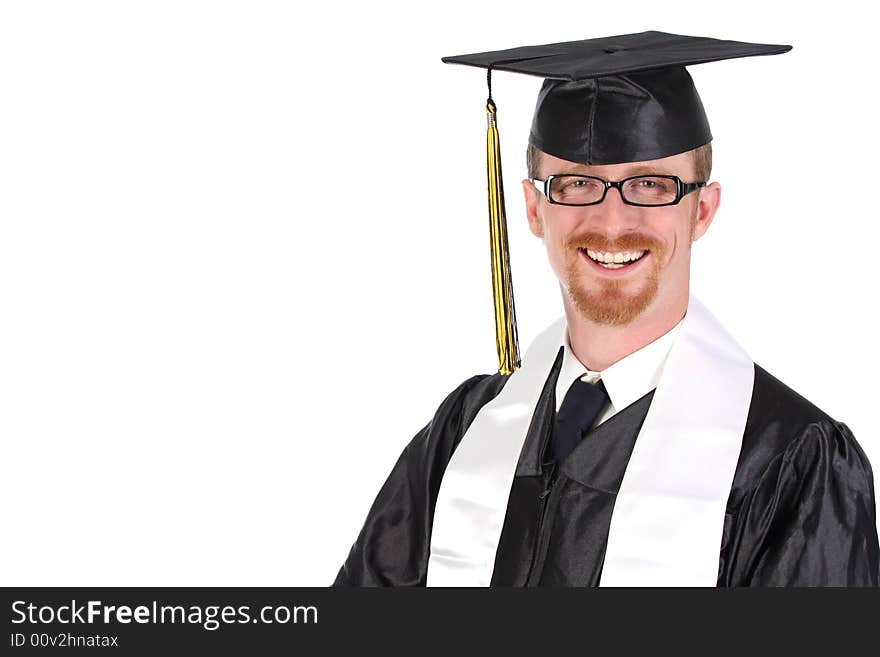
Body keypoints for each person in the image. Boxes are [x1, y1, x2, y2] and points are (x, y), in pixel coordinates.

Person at [332, 32, 880, 587]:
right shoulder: (465, 430)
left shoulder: (791, 459)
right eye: (575, 184)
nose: (613, 222)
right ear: (532, 208)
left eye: (649, 184)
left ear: (703, 211)